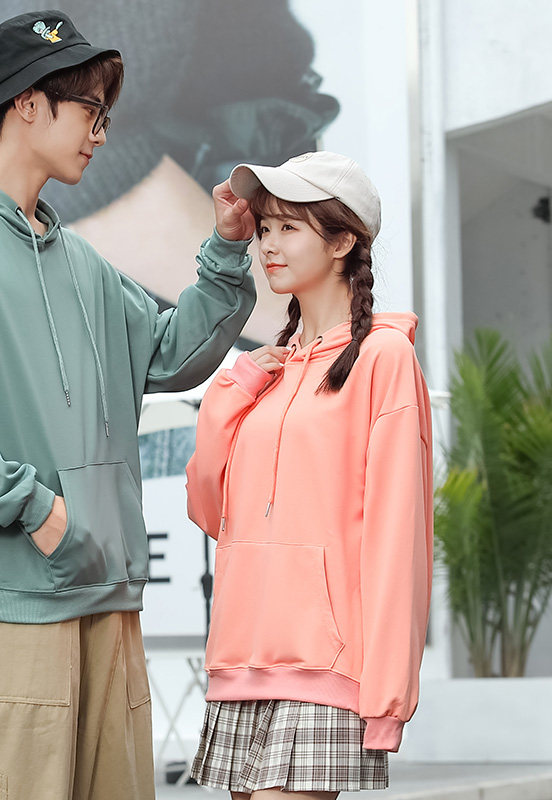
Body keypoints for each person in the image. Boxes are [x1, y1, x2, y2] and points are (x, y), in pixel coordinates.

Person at [0, 10, 256, 800]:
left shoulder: (81, 259)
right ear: (26, 104)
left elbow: (169, 354)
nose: (102, 135)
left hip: (108, 601)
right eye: (90, 111)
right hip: (18, 604)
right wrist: (35, 508)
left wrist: (224, 251)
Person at [185, 151, 433, 798]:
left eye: (289, 228)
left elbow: (397, 538)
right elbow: (210, 511)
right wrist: (232, 391)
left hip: (326, 667)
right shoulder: (268, 371)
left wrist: (388, 694)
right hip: (242, 660)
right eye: (265, 228)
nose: (268, 244)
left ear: (343, 240)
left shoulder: (383, 358)